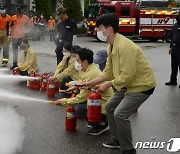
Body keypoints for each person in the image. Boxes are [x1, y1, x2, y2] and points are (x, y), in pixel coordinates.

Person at [82, 13, 156, 154]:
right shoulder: (112, 46)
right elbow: (107, 72)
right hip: (128, 84)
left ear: (108, 29)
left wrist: (108, 84)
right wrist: (90, 83)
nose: (97, 31)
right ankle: (116, 140)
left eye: (99, 28)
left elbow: (126, 76)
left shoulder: (125, 47)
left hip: (142, 86)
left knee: (120, 114)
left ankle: (128, 149)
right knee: (110, 107)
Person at [54, 48, 114, 135]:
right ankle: (96, 120)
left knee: (79, 108)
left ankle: (102, 123)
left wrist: (63, 101)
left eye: (77, 60)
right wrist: (75, 87)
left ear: (85, 62)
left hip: (105, 104)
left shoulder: (91, 73)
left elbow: (81, 98)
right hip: (100, 100)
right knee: (80, 104)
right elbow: (83, 82)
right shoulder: (88, 69)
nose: (76, 62)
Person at [9, 5, 34, 70]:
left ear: (22, 10)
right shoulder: (13, 17)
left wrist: (27, 31)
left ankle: (22, 65)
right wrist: (9, 34)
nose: (19, 11)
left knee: (22, 52)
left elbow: (31, 25)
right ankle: (15, 65)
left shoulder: (25, 18)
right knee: (15, 52)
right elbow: (11, 27)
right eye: (18, 10)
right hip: (14, 37)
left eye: (20, 10)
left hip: (22, 37)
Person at [165, 10, 180, 88]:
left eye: (177, 16)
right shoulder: (175, 25)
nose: (176, 17)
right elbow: (173, 37)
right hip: (174, 47)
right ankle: (173, 80)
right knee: (174, 65)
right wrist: (171, 47)